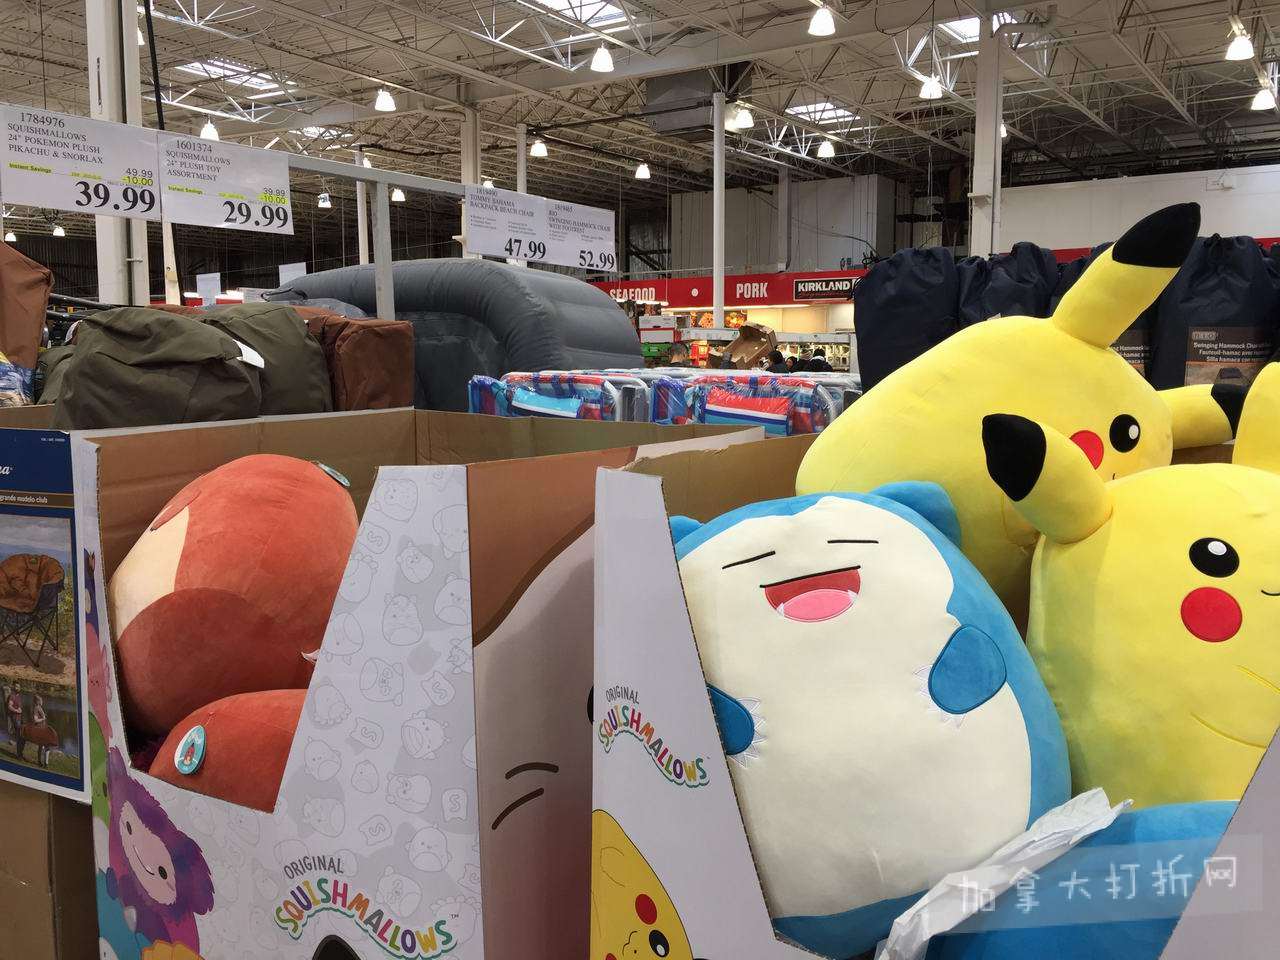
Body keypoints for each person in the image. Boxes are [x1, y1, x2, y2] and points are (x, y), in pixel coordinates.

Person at [6, 684, 25, 761]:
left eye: (19, 687)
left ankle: (20, 753)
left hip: (20, 718)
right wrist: (16, 710)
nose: (17, 688)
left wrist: (20, 709)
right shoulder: (12, 696)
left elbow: (19, 706)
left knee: (22, 737)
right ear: (14, 688)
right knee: (19, 736)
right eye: (16, 687)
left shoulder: (19, 697)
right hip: (15, 718)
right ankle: (19, 755)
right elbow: (9, 706)